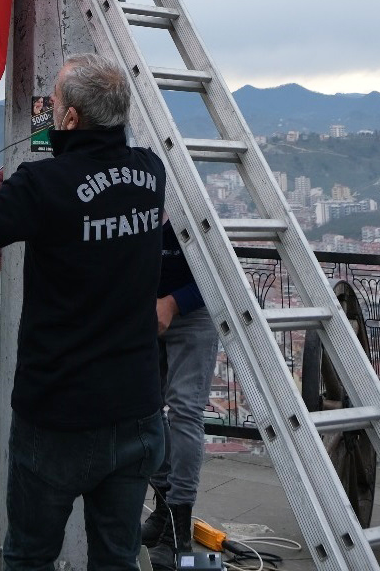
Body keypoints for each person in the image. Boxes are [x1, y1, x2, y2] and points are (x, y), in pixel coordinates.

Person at [0, 56, 166, 571]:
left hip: (59, 413)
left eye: (57, 103)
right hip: (136, 408)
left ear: (68, 120)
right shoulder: (150, 174)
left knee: (29, 557)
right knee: (117, 558)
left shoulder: (45, 185)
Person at [141, 221, 219, 571]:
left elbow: (217, 274)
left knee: (185, 411)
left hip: (192, 311)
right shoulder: (136, 205)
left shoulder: (194, 214)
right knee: (146, 410)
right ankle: (163, 511)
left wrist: (172, 304)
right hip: (144, 312)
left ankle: (178, 531)